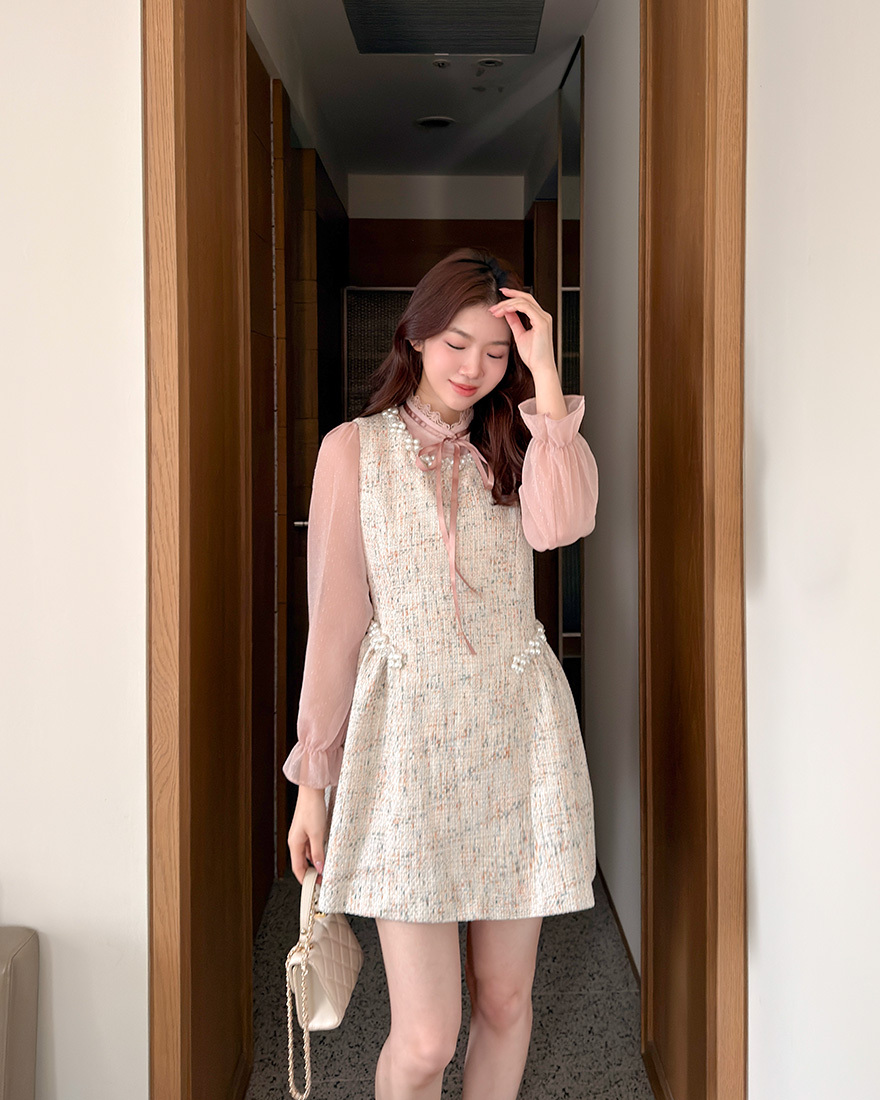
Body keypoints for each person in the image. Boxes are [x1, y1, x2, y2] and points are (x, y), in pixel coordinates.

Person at [284, 246, 599, 1100]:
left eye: (495, 352)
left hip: (517, 742)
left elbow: (565, 524)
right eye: (457, 343)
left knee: (504, 1001)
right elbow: (335, 628)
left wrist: (543, 375)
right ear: (417, 335)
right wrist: (314, 784)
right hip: (406, 753)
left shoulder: (519, 441)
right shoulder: (354, 450)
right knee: (425, 1039)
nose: (474, 368)